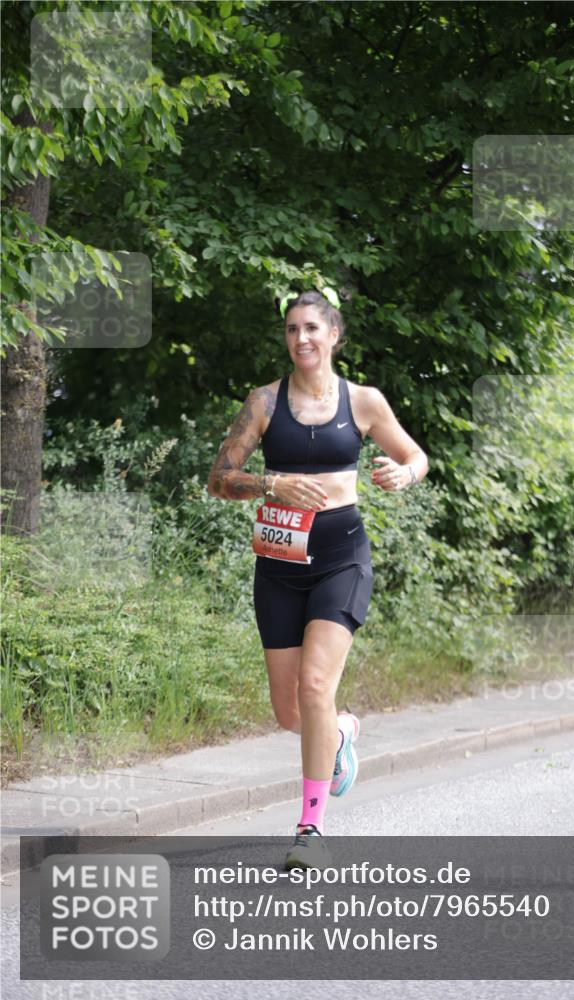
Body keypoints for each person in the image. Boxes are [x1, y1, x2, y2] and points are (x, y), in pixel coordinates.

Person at [207, 289, 428, 869]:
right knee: (290, 713)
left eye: (311, 328)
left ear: (334, 335)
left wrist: (403, 475)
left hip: (340, 557)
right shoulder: (263, 402)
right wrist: (270, 486)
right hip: (278, 565)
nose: (300, 338)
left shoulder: (364, 402)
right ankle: (342, 731)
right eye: (291, 330)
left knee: (314, 688)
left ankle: (310, 829)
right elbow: (219, 478)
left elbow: (416, 457)